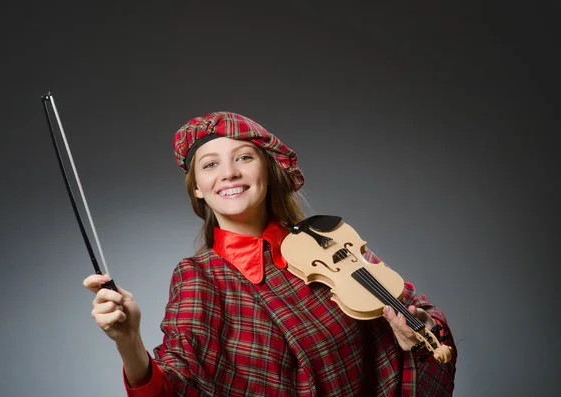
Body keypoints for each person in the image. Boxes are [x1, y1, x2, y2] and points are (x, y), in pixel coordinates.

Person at [83, 112, 457, 396]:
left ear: (266, 169)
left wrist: (415, 328)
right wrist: (128, 341)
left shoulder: (329, 240)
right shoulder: (200, 276)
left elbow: (418, 312)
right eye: (210, 164)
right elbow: (175, 386)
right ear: (197, 188)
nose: (228, 173)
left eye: (244, 157)